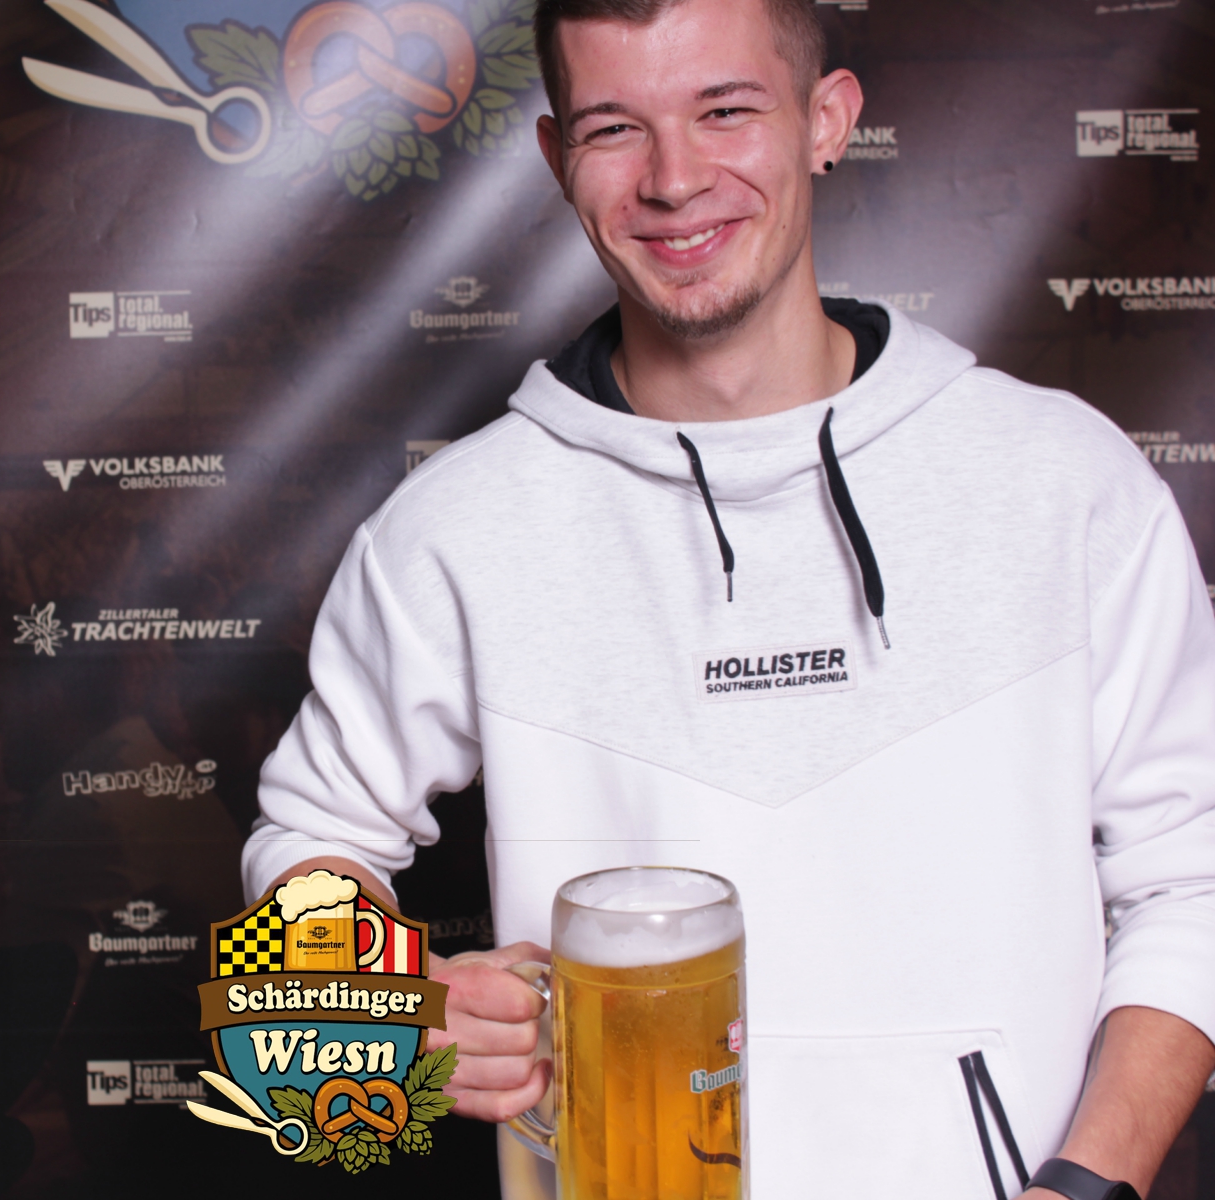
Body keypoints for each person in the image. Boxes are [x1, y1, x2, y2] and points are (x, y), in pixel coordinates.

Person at [240, 0, 1215, 1196]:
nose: (674, 179)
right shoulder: (453, 530)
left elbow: (1194, 876)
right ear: (557, 159)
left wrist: (1089, 1185)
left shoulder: (1065, 481)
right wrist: (379, 997)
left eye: (725, 110)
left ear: (827, 120)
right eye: (615, 128)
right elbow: (309, 833)